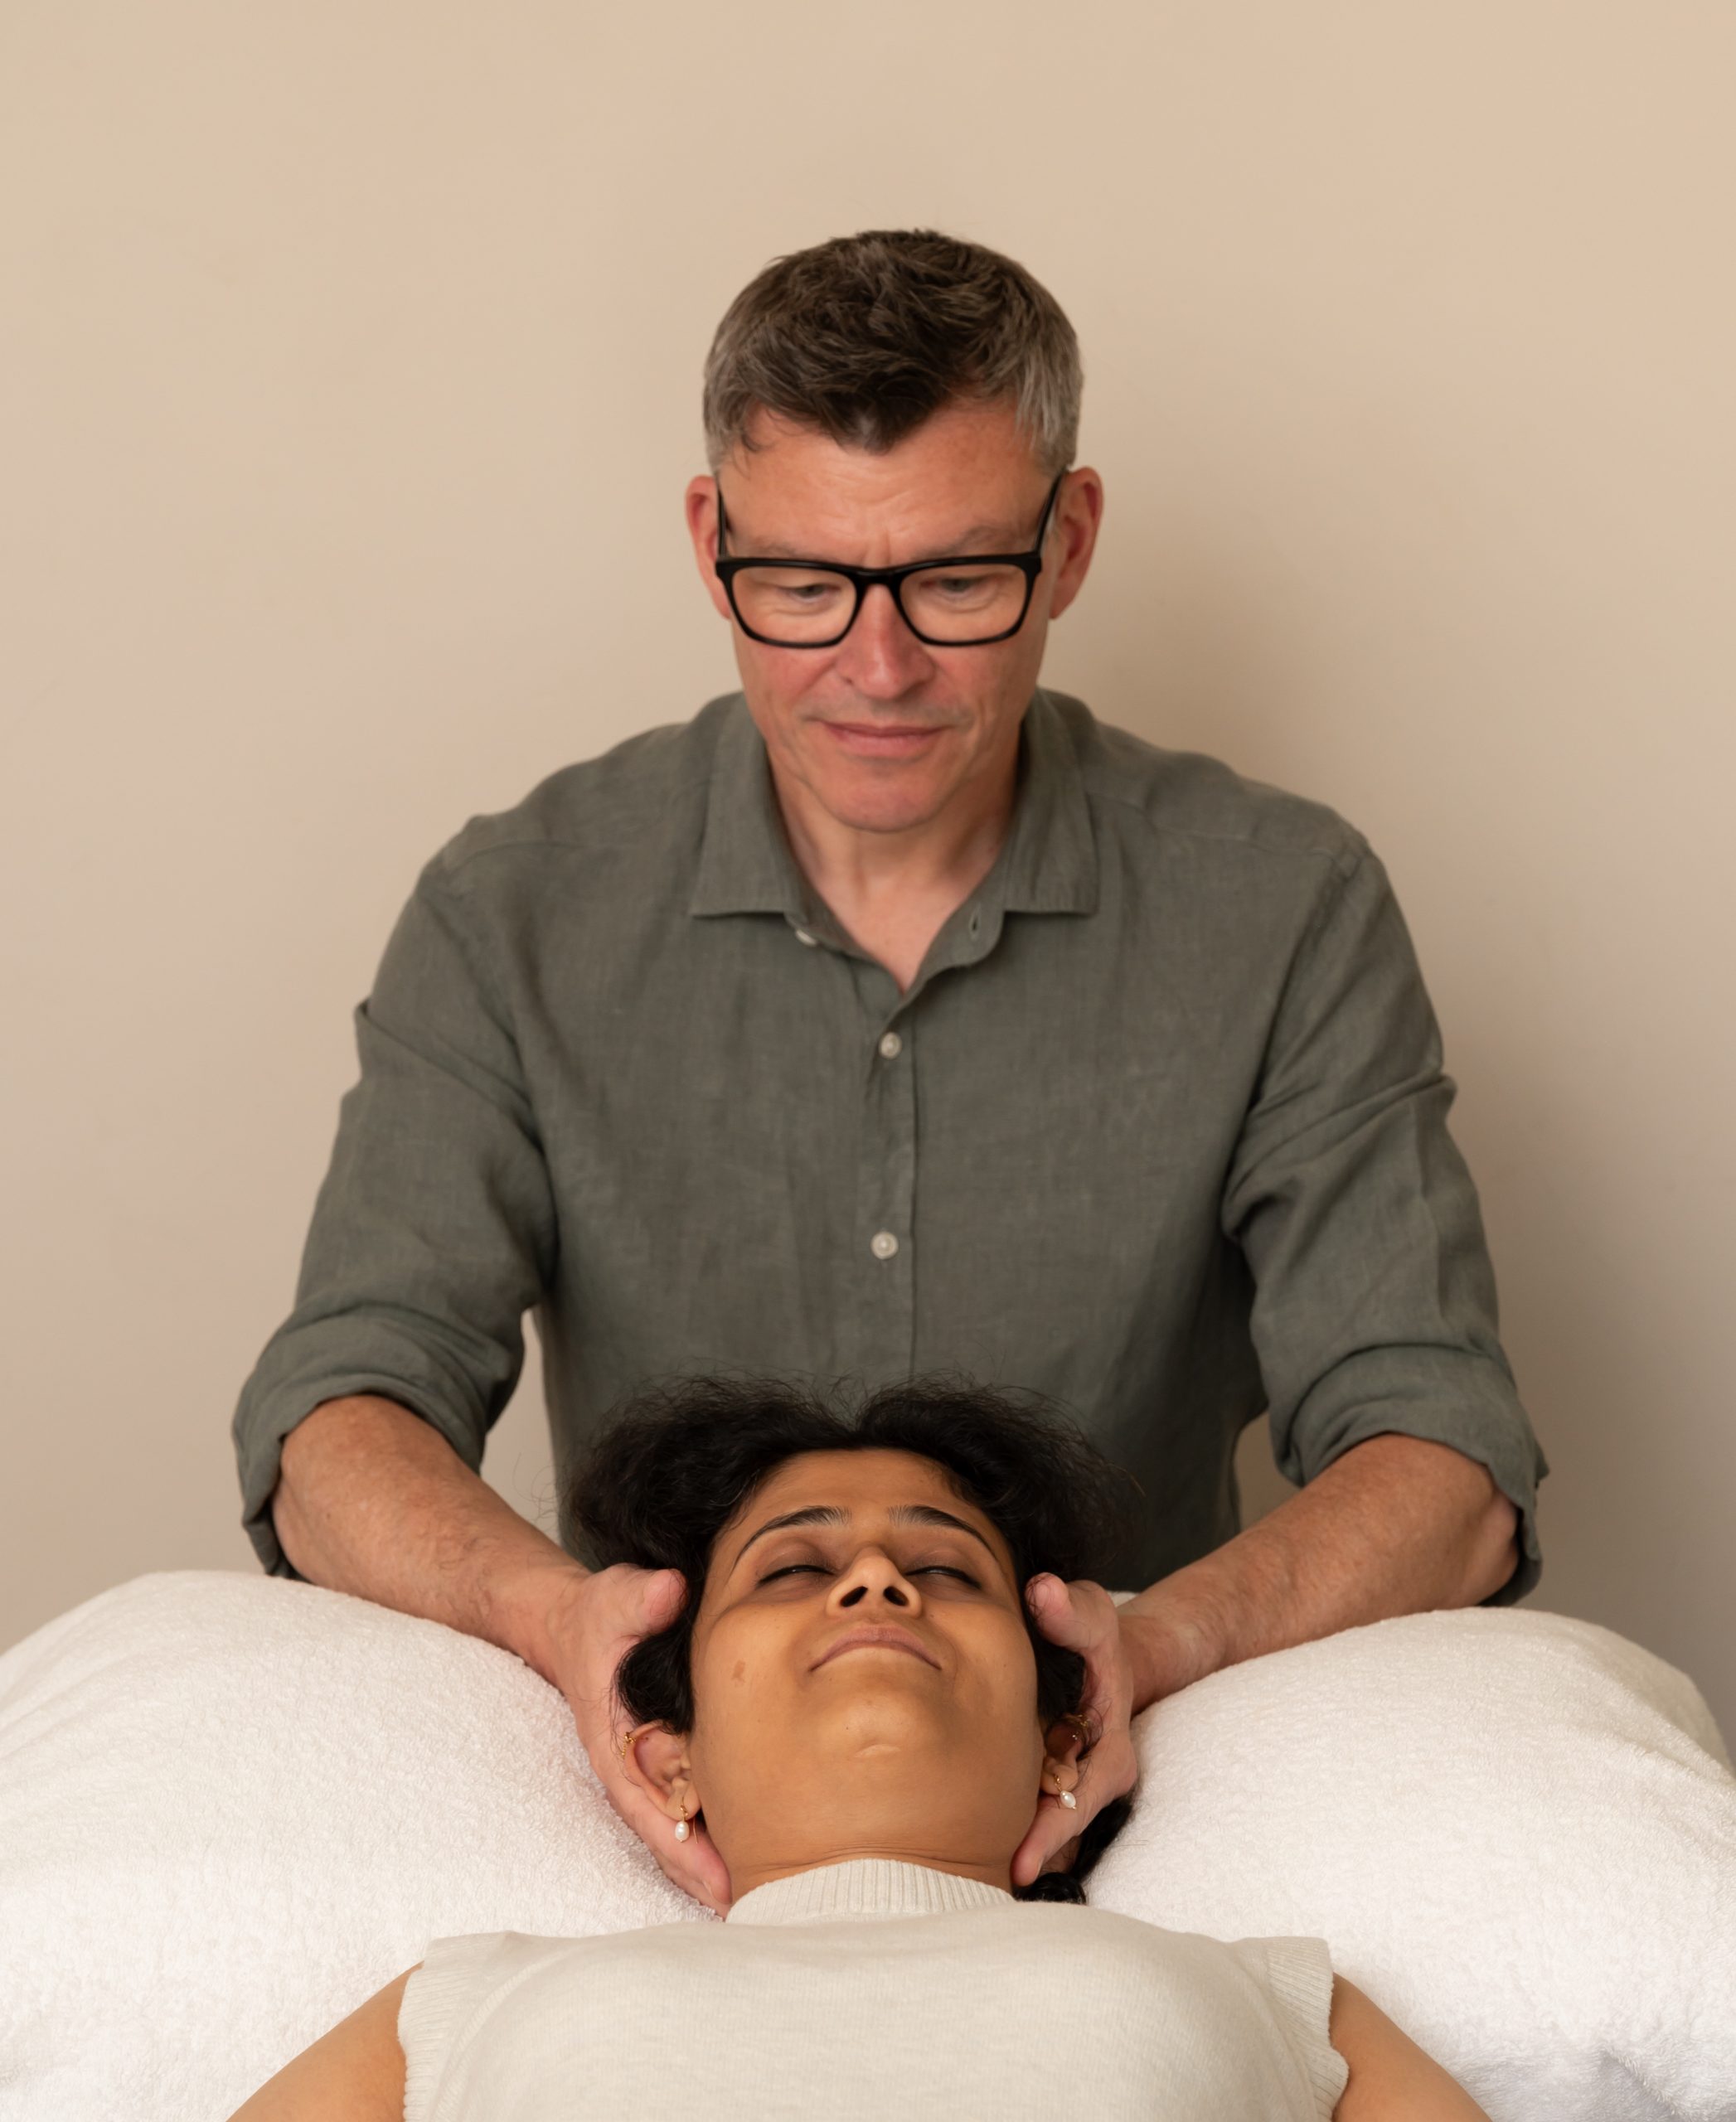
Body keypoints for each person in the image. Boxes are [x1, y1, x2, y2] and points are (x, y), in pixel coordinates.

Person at [232, 227, 1549, 1913]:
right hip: (676, 1821)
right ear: (711, 544)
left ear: (1067, 542)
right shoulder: (516, 910)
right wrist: (555, 1621)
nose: (877, 667)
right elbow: (339, 1407)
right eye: (804, 584)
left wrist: (1155, 1644)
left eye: (954, 580)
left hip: (1132, 1804)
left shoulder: (1282, 904)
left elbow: (1447, 1454)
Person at [225, 1379, 1491, 2121]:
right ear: (667, 1757)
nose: (879, 1580)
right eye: (793, 1568)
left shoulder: (1275, 1997)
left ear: (1069, 1734)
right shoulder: (459, 2001)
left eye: (944, 1567)